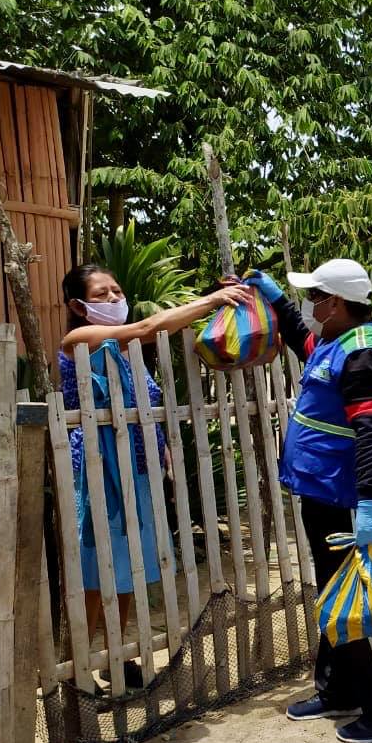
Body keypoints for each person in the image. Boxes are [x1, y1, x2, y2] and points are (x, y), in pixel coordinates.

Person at [245, 259, 372, 743]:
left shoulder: (367, 355)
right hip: (324, 493)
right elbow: (302, 339)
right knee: (336, 597)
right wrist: (273, 296)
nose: (309, 305)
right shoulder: (334, 343)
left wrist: (370, 506)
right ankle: (340, 690)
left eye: (314, 297)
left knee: (365, 604)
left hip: (350, 500)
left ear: (336, 302)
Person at [60, 263, 251, 689]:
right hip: (96, 468)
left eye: (116, 290)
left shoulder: (129, 352)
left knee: (128, 562)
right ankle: (77, 667)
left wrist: (160, 446)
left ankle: (116, 654)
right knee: (94, 568)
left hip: (137, 466)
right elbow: (148, 326)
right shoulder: (80, 339)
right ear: (78, 306)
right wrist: (211, 301)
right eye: (102, 294)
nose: (114, 298)